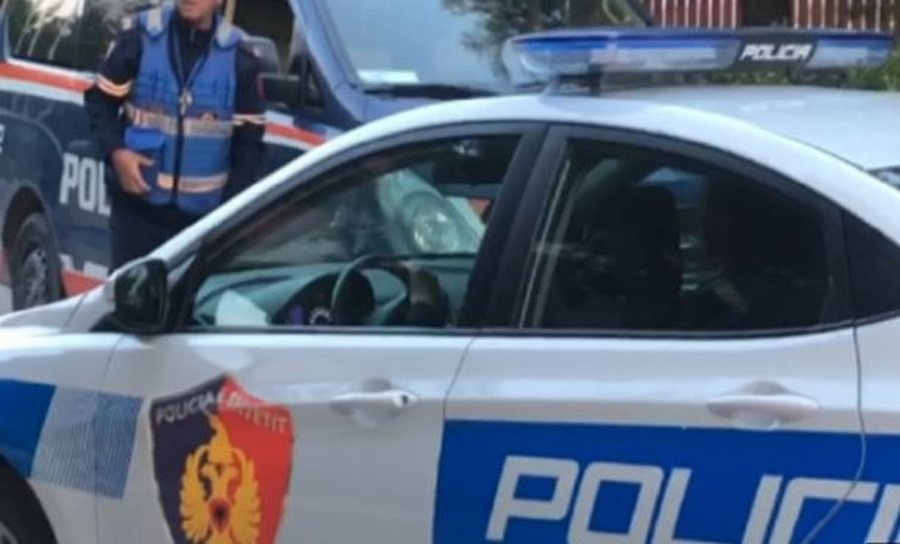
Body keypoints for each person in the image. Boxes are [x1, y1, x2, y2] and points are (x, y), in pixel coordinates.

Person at [85, 0, 266, 270]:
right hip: (138, 216)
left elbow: (249, 146)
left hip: (203, 226)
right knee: (130, 296)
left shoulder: (240, 57)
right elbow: (100, 102)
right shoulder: (140, 38)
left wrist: (229, 217)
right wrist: (117, 153)